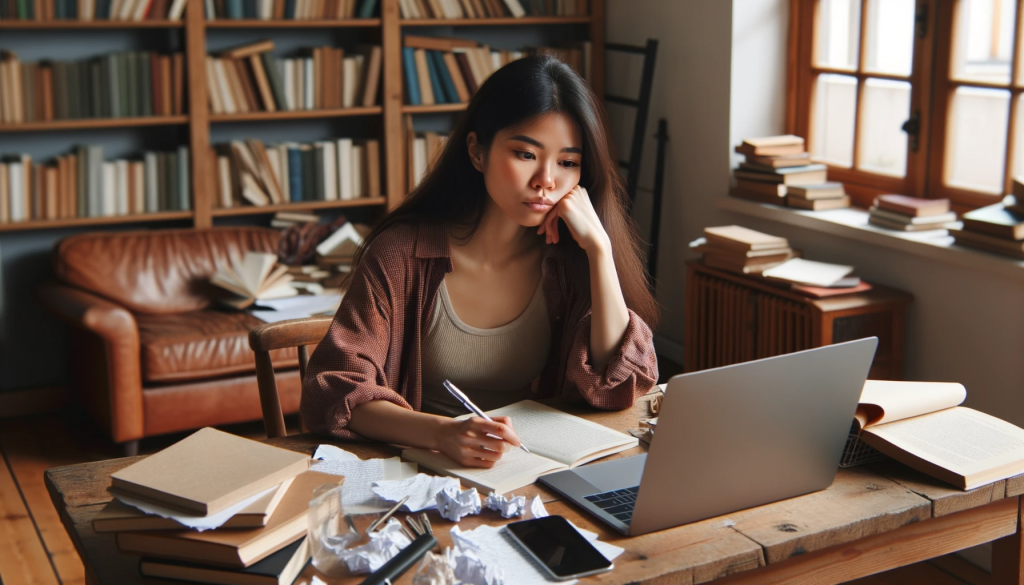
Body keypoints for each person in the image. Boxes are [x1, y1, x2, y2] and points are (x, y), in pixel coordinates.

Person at [302, 54, 659, 468]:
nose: (546, 179)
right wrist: (441, 432)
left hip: (528, 467)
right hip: (418, 467)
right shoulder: (402, 253)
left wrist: (600, 250)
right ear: (477, 152)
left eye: (567, 162)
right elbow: (335, 388)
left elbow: (617, 381)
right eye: (526, 154)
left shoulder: (568, 261)